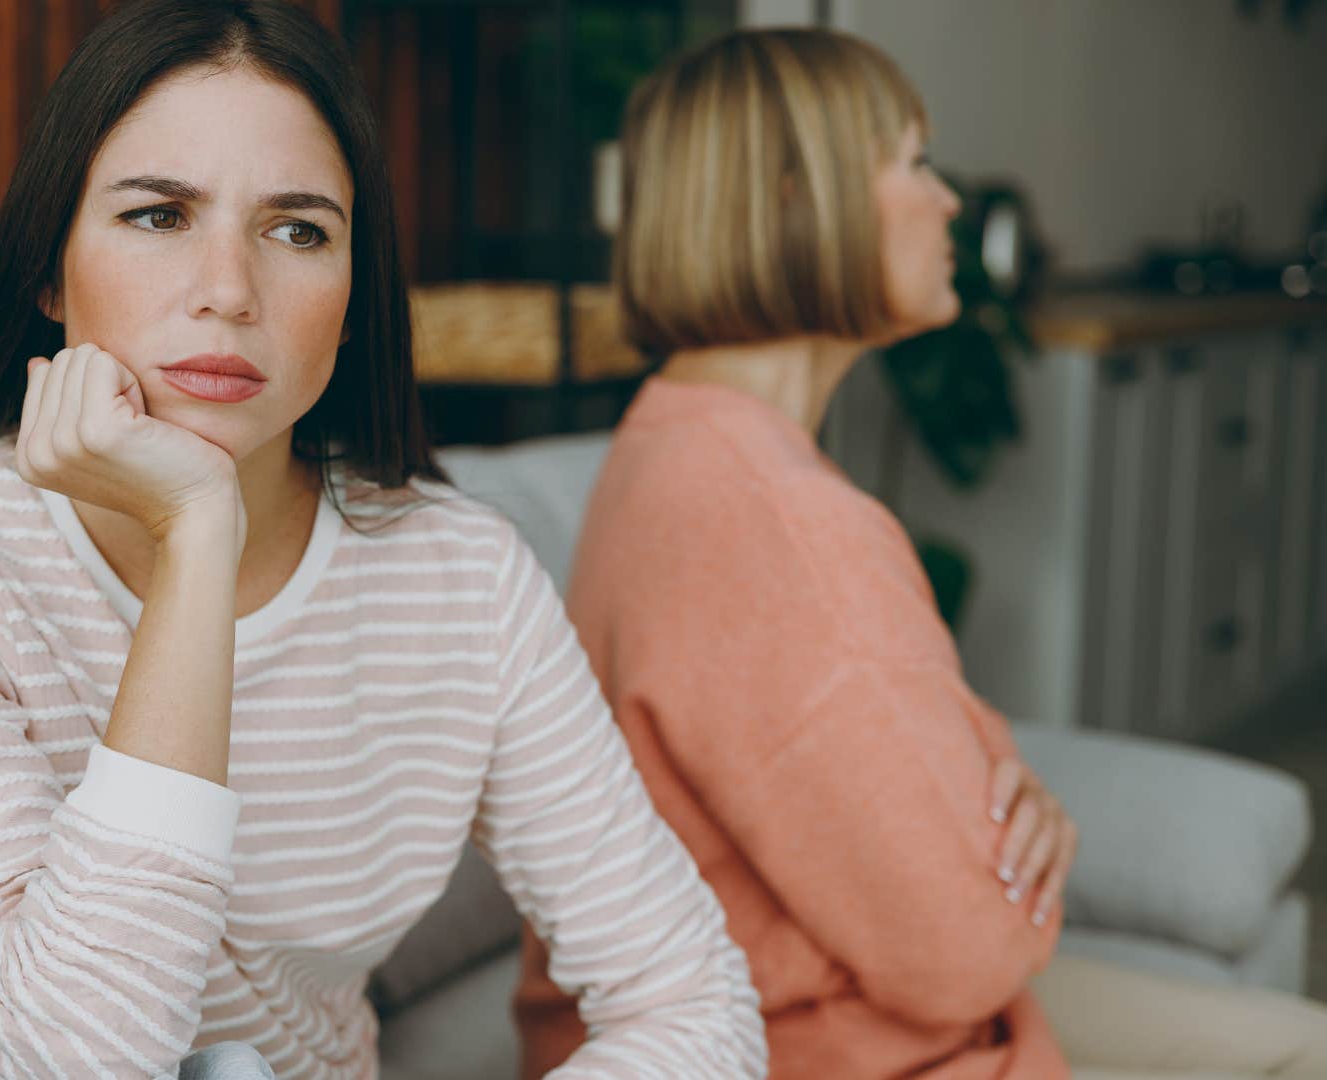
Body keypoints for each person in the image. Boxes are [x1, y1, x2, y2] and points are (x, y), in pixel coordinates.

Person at [0, 1, 766, 1076]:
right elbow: (67, 1058)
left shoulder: (464, 578)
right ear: (49, 273)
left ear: (352, 307)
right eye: (160, 215)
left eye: (298, 229)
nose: (228, 291)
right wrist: (198, 535)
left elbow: (693, 1002)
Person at [511, 26, 1327, 1080]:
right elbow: (969, 954)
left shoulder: (671, 437)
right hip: (803, 1051)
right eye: (913, 161)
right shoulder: (786, 525)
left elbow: (910, 764)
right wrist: (999, 811)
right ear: (802, 202)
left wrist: (995, 780)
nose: (951, 202)